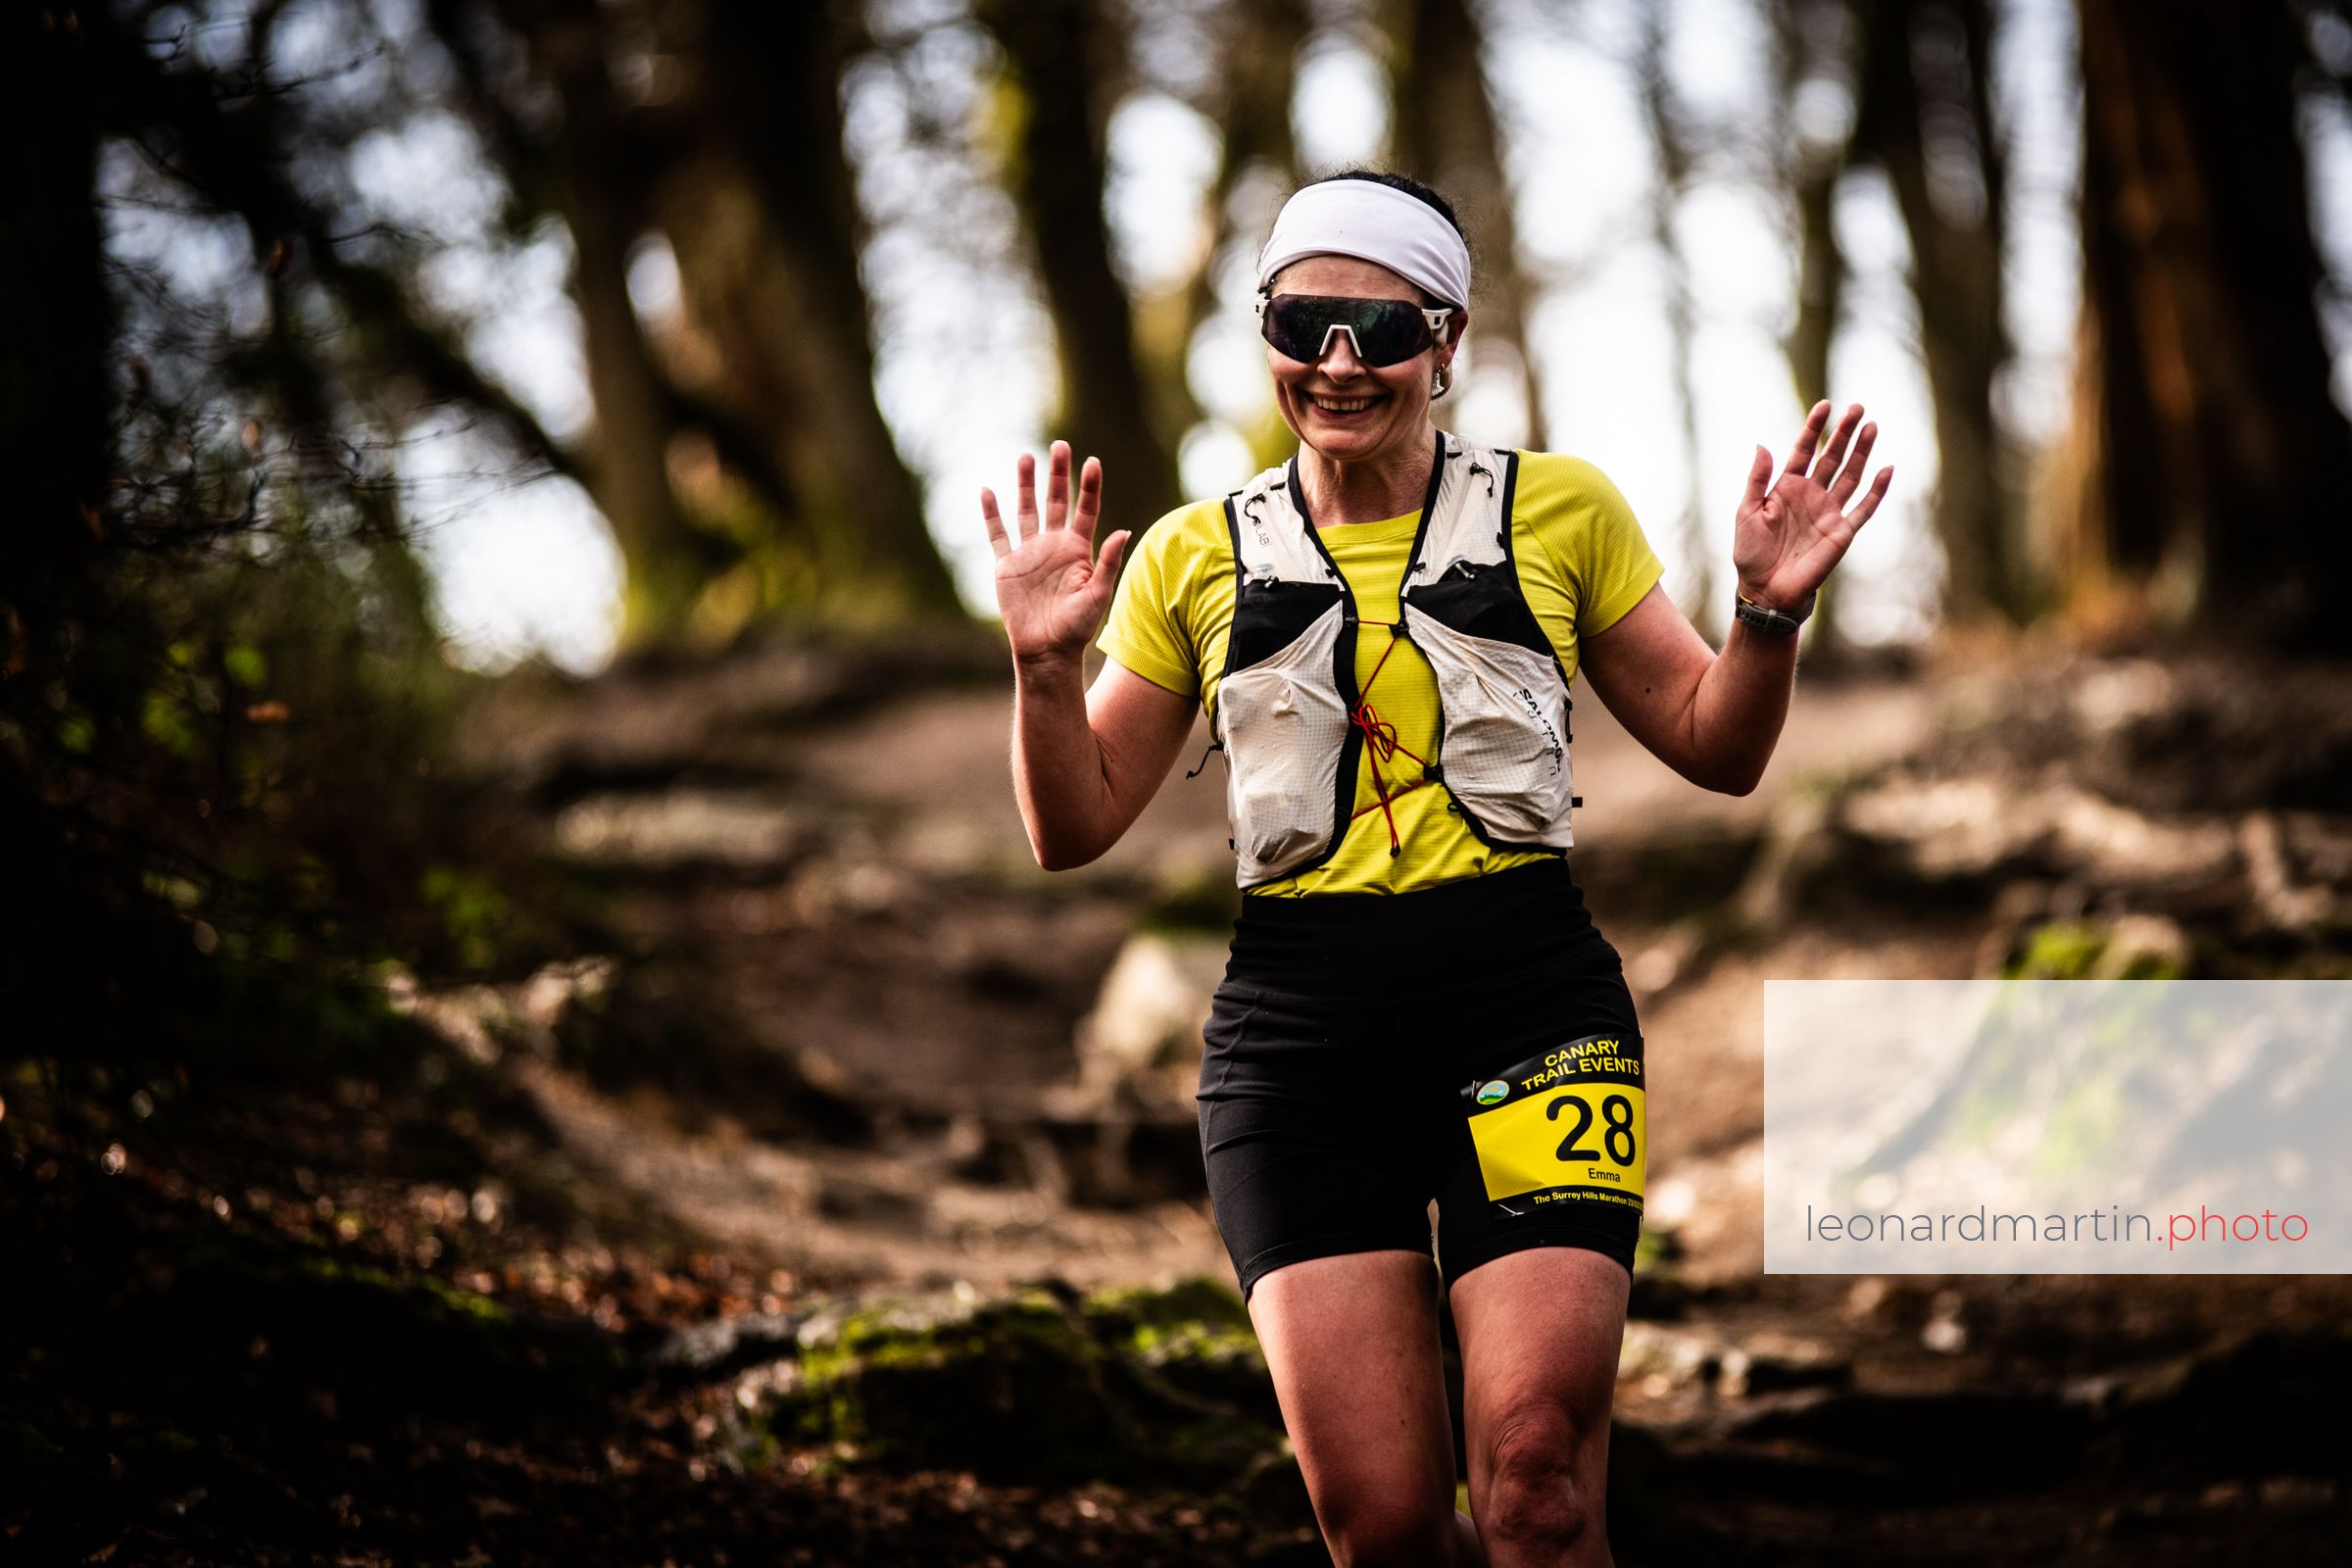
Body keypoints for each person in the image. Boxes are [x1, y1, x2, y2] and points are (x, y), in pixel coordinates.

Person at [980, 169, 1892, 1568]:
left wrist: (1766, 615)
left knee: (1536, 1482)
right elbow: (1072, 826)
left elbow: (1718, 749)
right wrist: (1044, 672)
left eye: (1386, 328)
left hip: (1531, 1011)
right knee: (1387, 1526)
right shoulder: (1189, 558)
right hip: (1298, 1050)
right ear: (1266, 333)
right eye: (1305, 324)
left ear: (1448, 339)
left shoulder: (1563, 511)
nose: (1341, 363)